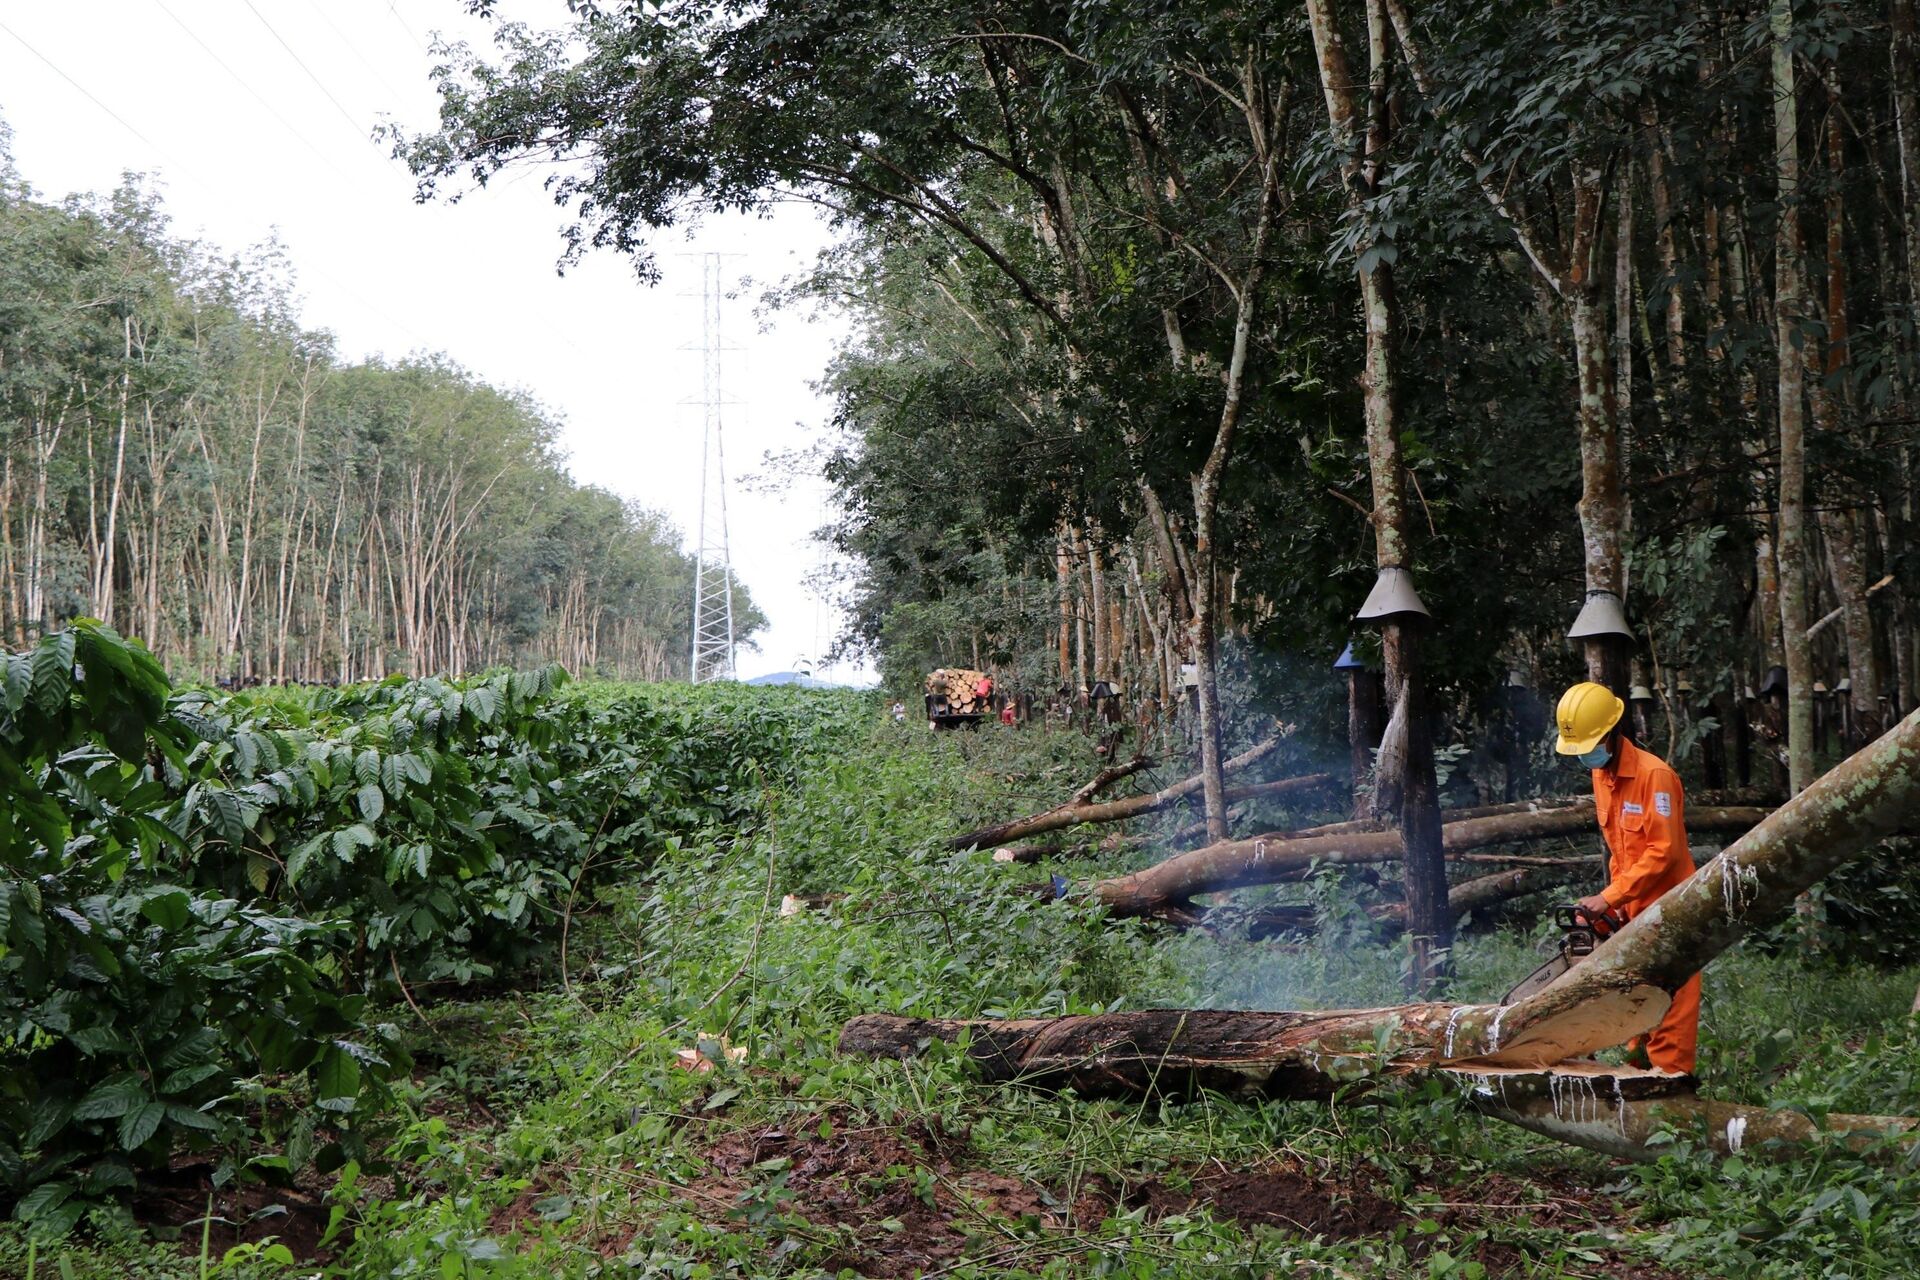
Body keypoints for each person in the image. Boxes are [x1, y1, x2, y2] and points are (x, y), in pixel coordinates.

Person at [1553, 680, 1700, 1074]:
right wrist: (1612, 906)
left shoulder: (1656, 777)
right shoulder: (1601, 775)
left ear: (1610, 732)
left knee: (1670, 1007)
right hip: (1633, 908)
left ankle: (1672, 1095)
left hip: (1673, 911)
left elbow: (1663, 852)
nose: (1585, 756)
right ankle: (1637, 1080)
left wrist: (1611, 897)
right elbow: (1622, 851)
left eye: (1589, 746)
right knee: (1635, 1002)